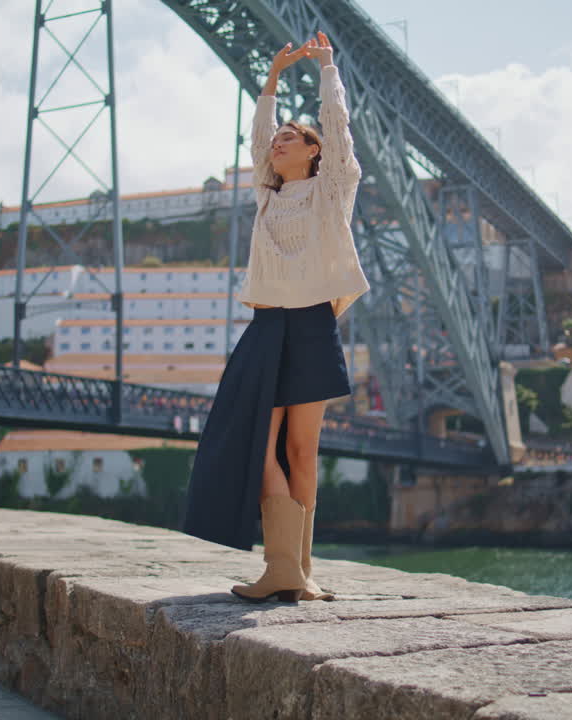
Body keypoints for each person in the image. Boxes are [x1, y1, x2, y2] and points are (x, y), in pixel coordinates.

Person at [182, 32, 369, 603]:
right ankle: (280, 567)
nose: (279, 141)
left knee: (302, 451)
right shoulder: (267, 196)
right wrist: (272, 76)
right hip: (266, 328)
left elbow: (337, 131)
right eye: (278, 138)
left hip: (312, 325)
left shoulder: (332, 190)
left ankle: (298, 573)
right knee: (259, 447)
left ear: (313, 152)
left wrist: (328, 69)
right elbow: (257, 133)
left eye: (293, 136)